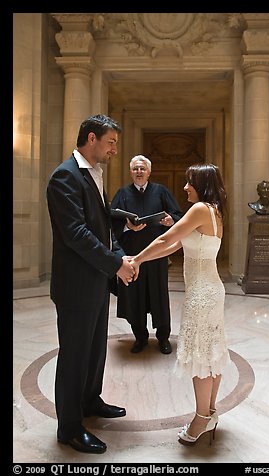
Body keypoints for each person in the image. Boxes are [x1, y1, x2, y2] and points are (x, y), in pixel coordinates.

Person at [46, 114, 136, 454]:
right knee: (74, 355)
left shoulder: (94, 174)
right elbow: (77, 235)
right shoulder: (64, 177)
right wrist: (115, 264)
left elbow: (102, 226)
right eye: (111, 142)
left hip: (96, 281)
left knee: (95, 348)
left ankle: (89, 400)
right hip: (75, 286)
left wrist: (119, 256)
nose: (115, 149)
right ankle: (69, 427)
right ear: (91, 138)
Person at [130, 163, 231, 446]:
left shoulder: (200, 209)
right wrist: (141, 260)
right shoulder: (213, 210)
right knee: (210, 351)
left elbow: (166, 238)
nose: (185, 187)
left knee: (201, 355)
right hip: (211, 290)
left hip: (202, 294)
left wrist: (135, 259)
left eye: (189, 182)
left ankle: (200, 419)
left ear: (201, 183)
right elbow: (173, 246)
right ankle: (209, 412)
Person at [111, 155, 183, 354]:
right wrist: (127, 226)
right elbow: (111, 221)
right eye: (135, 169)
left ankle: (163, 338)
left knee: (159, 295)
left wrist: (170, 221)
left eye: (142, 169)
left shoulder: (161, 192)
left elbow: (178, 215)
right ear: (131, 172)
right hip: (132, 257)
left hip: (157, 255)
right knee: (134, 296)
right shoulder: (123, 193)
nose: (139, 172)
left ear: (149, 172)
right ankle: (140, 337)